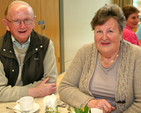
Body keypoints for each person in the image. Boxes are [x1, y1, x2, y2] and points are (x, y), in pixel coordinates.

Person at [58, 4, 141, 113]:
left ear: (121, 33)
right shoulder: (85, 52)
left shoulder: (136, 56)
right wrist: (90, 102)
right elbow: (65, 87)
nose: (104, 37)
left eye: (110, 31)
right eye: (99, 31)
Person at [0, 1, 57, 102]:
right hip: (7, 105)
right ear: (7, 24)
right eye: (16, 21)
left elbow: (50, 84)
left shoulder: (45, 45)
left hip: (37, 102)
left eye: (27, 20)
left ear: (34, 21)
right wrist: (33, 91)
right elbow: (0, 93)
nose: (22, 26)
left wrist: (10, 92)